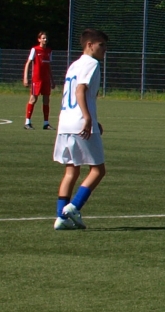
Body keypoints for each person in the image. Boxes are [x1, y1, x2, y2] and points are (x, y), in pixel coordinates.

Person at [52, 29, 107, 229]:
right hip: (80, 123)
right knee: (98, 170)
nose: (104, 49)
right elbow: (80, 90)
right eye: (101, 45)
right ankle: (74, 207)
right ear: (89, 45)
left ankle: (61, 218)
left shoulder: (74, 65)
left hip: (65, 122)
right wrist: (88, 118)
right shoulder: (91, 63)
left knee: (71, 171)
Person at [24, 31, 54, 129]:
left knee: (46, 100)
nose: (45, 40)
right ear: (39, 39)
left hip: (46, 80)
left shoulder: (49, 51)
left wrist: (52, 80)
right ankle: (27, 122)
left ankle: (46, 123)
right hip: (36, 79)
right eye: (43, 38)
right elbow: (28, 63)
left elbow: (48, 66)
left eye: (46, 38)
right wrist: (25, 77)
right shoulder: (35, 50)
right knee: (33, 99)